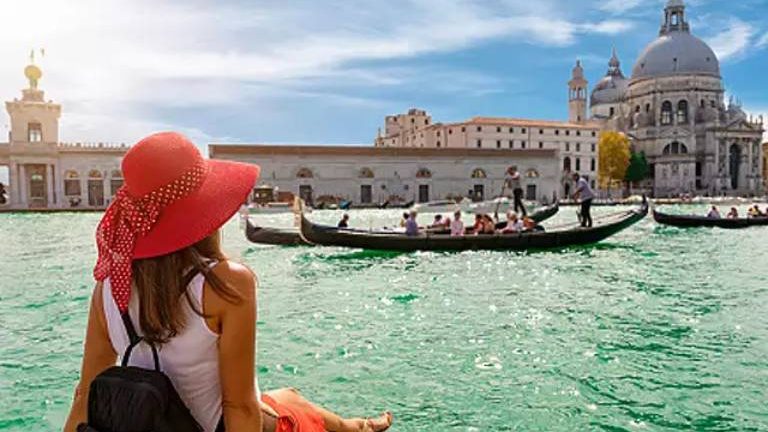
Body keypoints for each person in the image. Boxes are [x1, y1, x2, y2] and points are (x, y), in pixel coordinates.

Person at [63, 133, 393, 432]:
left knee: (288, 398)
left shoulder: (107, 287)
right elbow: (239, 406)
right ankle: (357, 429)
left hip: (148, 420)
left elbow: (84, 394)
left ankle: (355, 427)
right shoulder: (224, 283)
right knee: (291, 412)